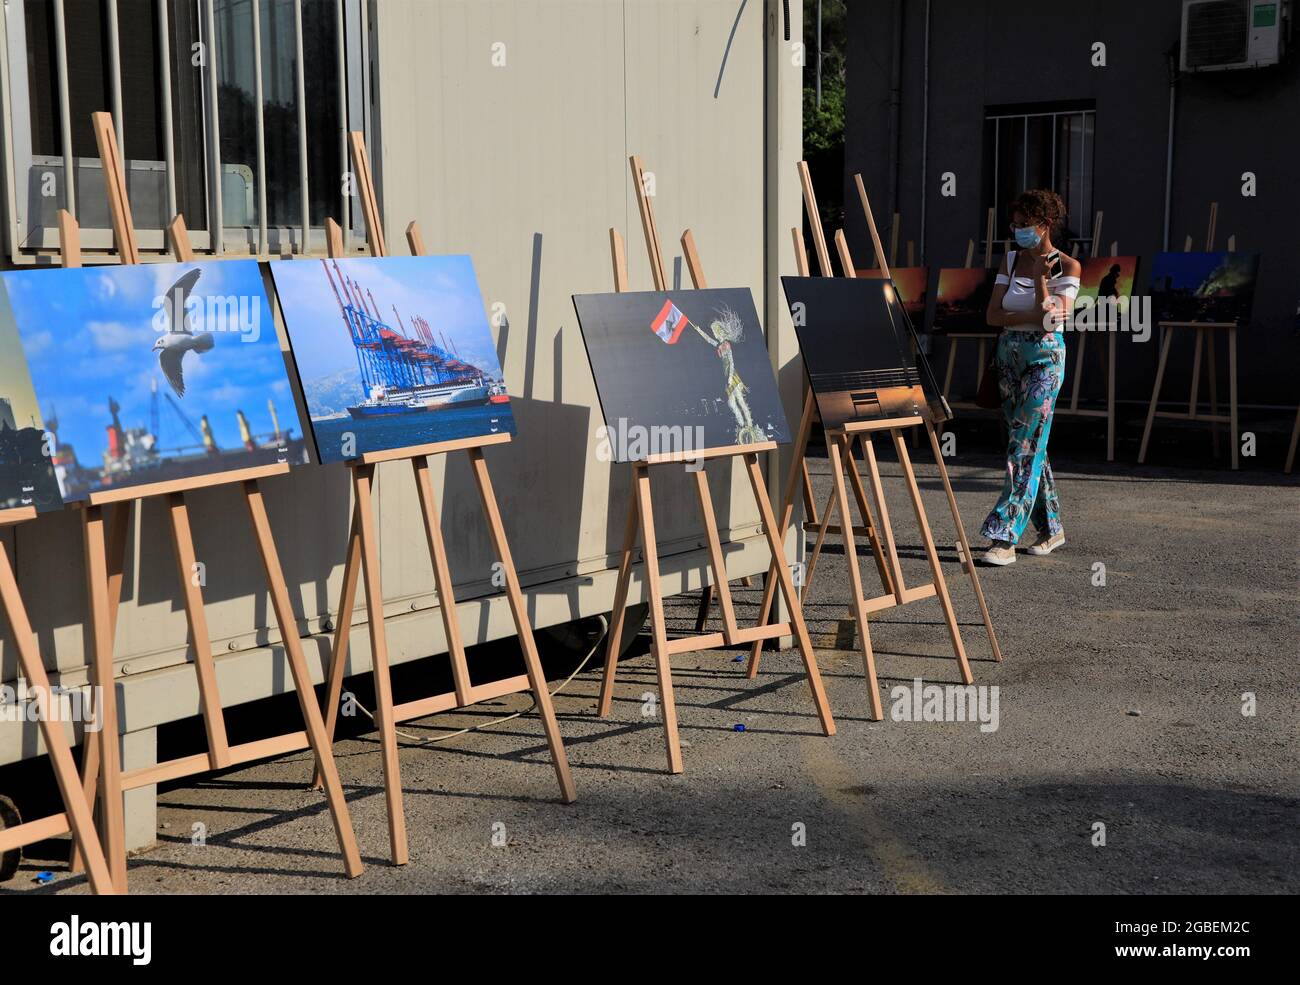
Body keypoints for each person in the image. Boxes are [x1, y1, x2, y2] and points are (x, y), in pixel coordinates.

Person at [979, 189, 1080, 566]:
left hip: (1045, 360)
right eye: (1015, 224)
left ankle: (1004, 535)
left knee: (1023, 445)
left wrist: (1040, 281)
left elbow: (1053, 319)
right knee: (1028, 442)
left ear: (1045, 224)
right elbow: (991, 315)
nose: (1017, 230)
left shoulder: (1069, 267)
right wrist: (1029, 317)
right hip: (1009, 358)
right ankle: (1051, 527)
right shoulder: (1008, 260)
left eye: (1024, 224)